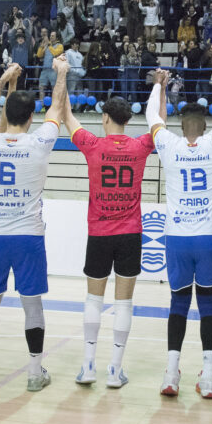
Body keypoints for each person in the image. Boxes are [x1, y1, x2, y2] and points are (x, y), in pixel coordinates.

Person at [145, 60, 212, 396]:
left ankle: (171, 374)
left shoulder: (169, 146)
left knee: (178, 303)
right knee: (210, 303)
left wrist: (159, 84)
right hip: (208, 237)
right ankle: (210, 377)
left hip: (177, 238)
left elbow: (152, 118)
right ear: (204, 124)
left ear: (183, 126)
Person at [0, 61, 61, 394]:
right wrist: (61, 74)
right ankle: (35, 373)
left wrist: (5, 78)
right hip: (28, 237)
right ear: (31, 118)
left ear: (6, 115)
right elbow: (57, 107)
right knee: (32, 304)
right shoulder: (39, 143)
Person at [62, 82, 155, 389]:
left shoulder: (92, 144)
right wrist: (159, 87)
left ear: (105, 118)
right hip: (130, 233)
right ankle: (115, 370)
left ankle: (88, 366)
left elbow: (66, 116)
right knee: (124, 303)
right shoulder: (140, 146)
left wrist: (62, 76)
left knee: (93, 299)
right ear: (127, 120)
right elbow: (159, 124)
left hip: (99, 232)